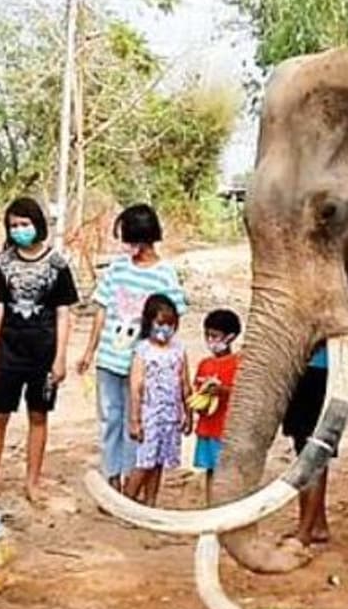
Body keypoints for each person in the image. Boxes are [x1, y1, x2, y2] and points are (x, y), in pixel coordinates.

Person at [77, 204, 187, 492]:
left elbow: (175, 319)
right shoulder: (117, 268)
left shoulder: (165, 275)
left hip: (142, 365)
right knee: (110, 418)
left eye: (128, 239)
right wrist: (90, 351)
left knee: (136, 420)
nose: (125, 246)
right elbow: (102, 309)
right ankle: (111, 475)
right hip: (110, 359)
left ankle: (130, 477)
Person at [0, 197, 79, 503]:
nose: (20, 230)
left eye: (25, 224)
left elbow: (64, 313)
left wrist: (61, 357)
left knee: (38, 416)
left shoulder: (57, 264)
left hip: (44, 352)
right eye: (14, 225)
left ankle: (32, 482)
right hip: (8, 351)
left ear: (38, 224)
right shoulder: (3, 264)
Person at [124, 294, 191, 506]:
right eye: (160, 323)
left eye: (170, 324)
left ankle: (150, 501)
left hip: (171, 415)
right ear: (150, 321)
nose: (165, 329)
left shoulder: (179, 350)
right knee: (145, 460)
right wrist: (135, 419)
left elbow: (185, 383)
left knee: (160, 460)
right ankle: (127, 500)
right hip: (149, 413)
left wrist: (188, 414)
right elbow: (136, 386)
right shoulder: (142, 350)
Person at [282, 342, 332, 546]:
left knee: (314, 454)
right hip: (299, 371)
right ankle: (315, 524)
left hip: (317, 375)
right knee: (303, 453)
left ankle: (306, 529)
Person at [190, 309, 242, 497]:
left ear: (230, 337)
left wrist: (222, 391)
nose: (211, 340)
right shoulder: (205, 364)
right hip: (208, 428)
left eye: (215, 336)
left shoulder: (239, 363)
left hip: (227, 430)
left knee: (228, 472)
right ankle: (211, 503)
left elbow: (243, 394)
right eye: (207, 335)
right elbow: (197, 395)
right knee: (211, 470)